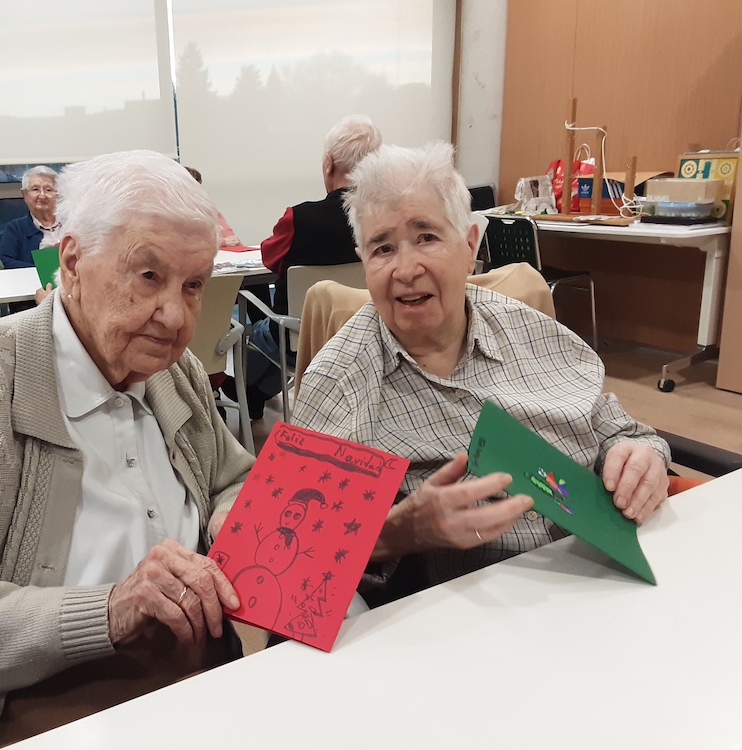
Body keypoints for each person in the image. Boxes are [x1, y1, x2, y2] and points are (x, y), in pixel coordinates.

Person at [0, 150, 255, 750]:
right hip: (33, 699)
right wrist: (109, 609)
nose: (174, 316)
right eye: (148, 276)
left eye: (194, 285)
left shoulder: (175, 371)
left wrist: (228, 529)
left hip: (203, 675)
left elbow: (232, 482)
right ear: (72, 263)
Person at [292, 142, 669, 605]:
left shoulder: (532, 330)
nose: (406, 269)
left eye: (426, 236)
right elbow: (292, 563)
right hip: (465, 623)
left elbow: (623, 430)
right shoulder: (337, 383)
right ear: (362, 260)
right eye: (383, 248)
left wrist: (642, 455)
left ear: (470, 245)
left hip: (602, 579)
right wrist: (397, 533)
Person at [231, 114, 382, 419]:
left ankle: (243, 395)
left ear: (328, 164)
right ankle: (254, 395)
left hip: (298, 340)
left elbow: (269, 260)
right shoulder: (385, 220)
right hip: (368, 335)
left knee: (260, 331)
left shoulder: (298, 219)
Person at [0, 165, 63, 268]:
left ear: (58, 195)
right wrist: (40, 269)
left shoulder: (72, 223)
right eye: (35, 189)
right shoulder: (16, 228)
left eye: (48, 190)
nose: (42, 195)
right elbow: (3, 260)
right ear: (24, 194)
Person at [184, 166, 242, 247]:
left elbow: (230, 236)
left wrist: (234, 241)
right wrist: (222, 242)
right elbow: (185, 243)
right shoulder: (171, 212)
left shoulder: (208, 209)